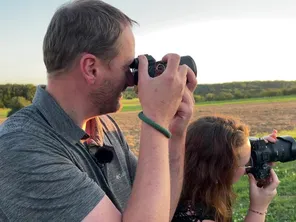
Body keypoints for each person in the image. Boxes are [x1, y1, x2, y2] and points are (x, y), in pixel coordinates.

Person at [0, 0, 197, 221]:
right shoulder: (19, 148)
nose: (133, 79)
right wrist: (156, 120)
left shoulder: (105, 127)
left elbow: (159, 211)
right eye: (128, 67)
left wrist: (174, 133)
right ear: (91, 69)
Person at [172, 115, 280, 222]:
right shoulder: (193, 217)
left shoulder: (178, 181)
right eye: (246, 163)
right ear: (219, 171)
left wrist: (257, 149)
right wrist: (258, 209)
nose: (247, 170)